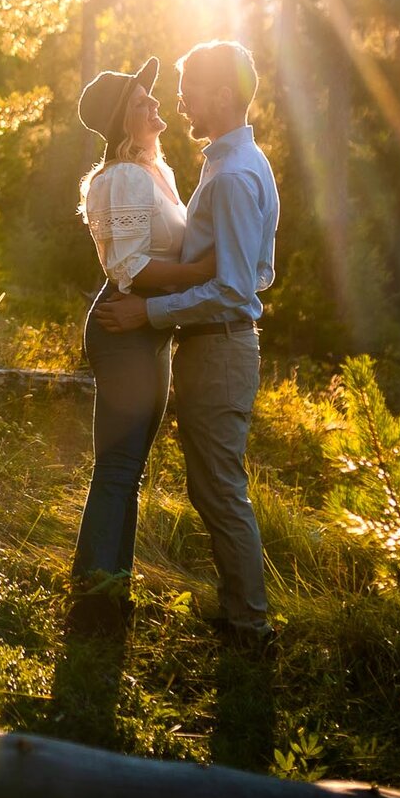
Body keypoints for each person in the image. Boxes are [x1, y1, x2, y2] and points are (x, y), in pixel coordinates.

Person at [95, 39, 280, 644]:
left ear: (221, 95)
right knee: (201, 484)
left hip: (218, 343)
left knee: (219, 489)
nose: (178, 102)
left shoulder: (227, 176)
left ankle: (249, 625)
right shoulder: (237, 165)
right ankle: (233, 613)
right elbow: (257, 271)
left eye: (189, 90)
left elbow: (231, 288)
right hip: (209, 343)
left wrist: (153, 312)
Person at [69, 56, 215, 638]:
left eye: (151, 96)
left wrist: (195, 275)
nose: (155, 104)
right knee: (118, 467)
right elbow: (129, 269)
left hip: (148, 328)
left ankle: (111, 590)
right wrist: (207, 271)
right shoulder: (122, 178)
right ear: (119, 122)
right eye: (140, 101)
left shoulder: (159, 172)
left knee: (129, 470)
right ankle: (93, 603)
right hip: (124, 325)